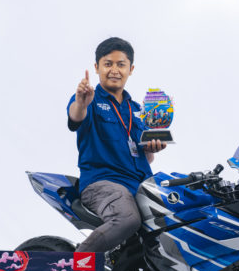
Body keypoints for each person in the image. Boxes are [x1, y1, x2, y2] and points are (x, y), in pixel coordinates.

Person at [67, 37, 166, 253]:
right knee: (126, 219)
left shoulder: (137, 110)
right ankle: (76, 267)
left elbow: (144, 156)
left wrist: (152, 147)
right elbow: (75, 117)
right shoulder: (89, 99)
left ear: (131, 69)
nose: (114, 70)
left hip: (141, 185)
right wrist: (81, 103)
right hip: (103, 183)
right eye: (108, 64)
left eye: (121, 64)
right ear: (97, 67)